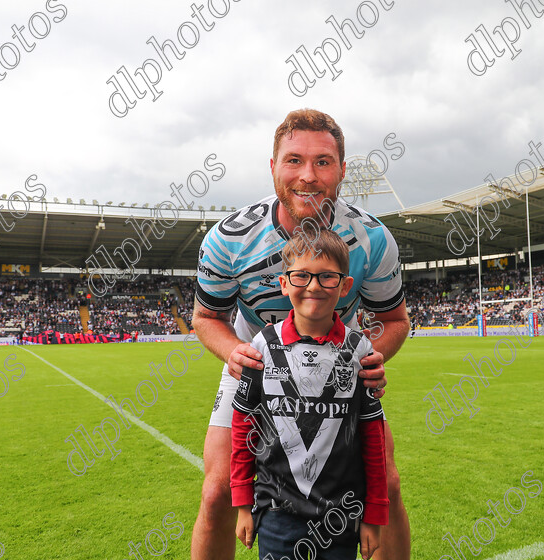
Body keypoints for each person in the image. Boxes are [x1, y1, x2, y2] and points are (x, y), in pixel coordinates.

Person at [192, 109, 411, 559]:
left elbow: (395, 321)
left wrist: (372, 359)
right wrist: (236, 354)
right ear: (272, 166)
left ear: (342, 171)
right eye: (293, 160)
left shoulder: (372, 239)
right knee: (216, 491)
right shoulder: (228, 240)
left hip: (339, 367)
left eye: (323, 162)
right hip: (253, 364)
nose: (307, 176)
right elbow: (204, 317)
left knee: (385, 482)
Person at [232, 230, 388, 560]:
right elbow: (243, 425)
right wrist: (243, 502)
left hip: (339, 517)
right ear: (284, 283)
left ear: (345, 286)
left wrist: (374, 513)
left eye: (327, 277)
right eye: (302, 275)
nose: (314, 286)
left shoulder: (360, 352)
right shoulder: (260, 348)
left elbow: (372, 436)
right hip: (277, 514)